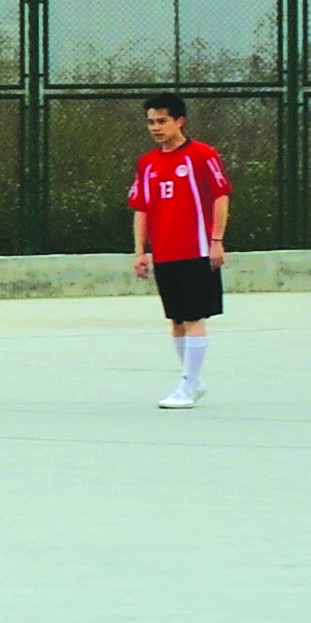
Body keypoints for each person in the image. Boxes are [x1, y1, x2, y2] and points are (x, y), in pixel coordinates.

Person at [128, 96, 234, 409]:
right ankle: (193, 380)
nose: (156, 127)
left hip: (196, 250)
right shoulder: (147, 163)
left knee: (193, 316)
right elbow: (141, 208)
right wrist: (140, 251)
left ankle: (187, 386)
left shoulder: (202, 155)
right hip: (165, 252)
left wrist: (216, 239)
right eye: (151, 122)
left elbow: (221, 196)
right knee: (176, 321)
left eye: (162, 121)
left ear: (180, 121)